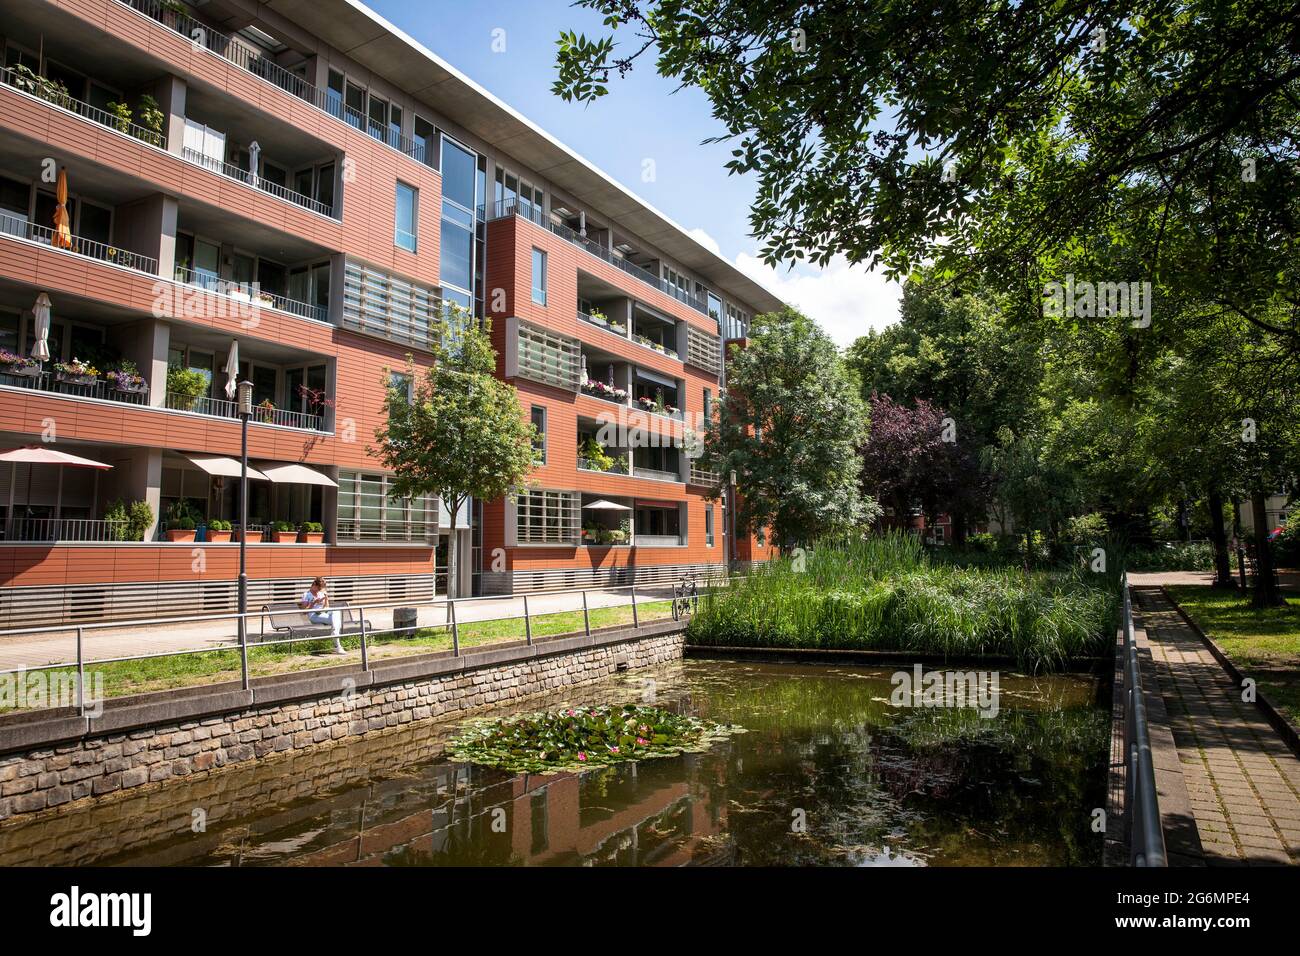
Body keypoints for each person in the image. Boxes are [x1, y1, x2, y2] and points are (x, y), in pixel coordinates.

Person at [300, 576, 345, 654]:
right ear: (315, 585)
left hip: (324, 612)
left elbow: (327, 607)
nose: (320, 590)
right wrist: (313, 603)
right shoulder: (306, 595)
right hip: (314, 615)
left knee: (336, 611)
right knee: (337, 622)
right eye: (319, 588)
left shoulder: (321, 593)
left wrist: (326, 598)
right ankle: (337, 644)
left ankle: (336, 642)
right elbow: (304, 612)